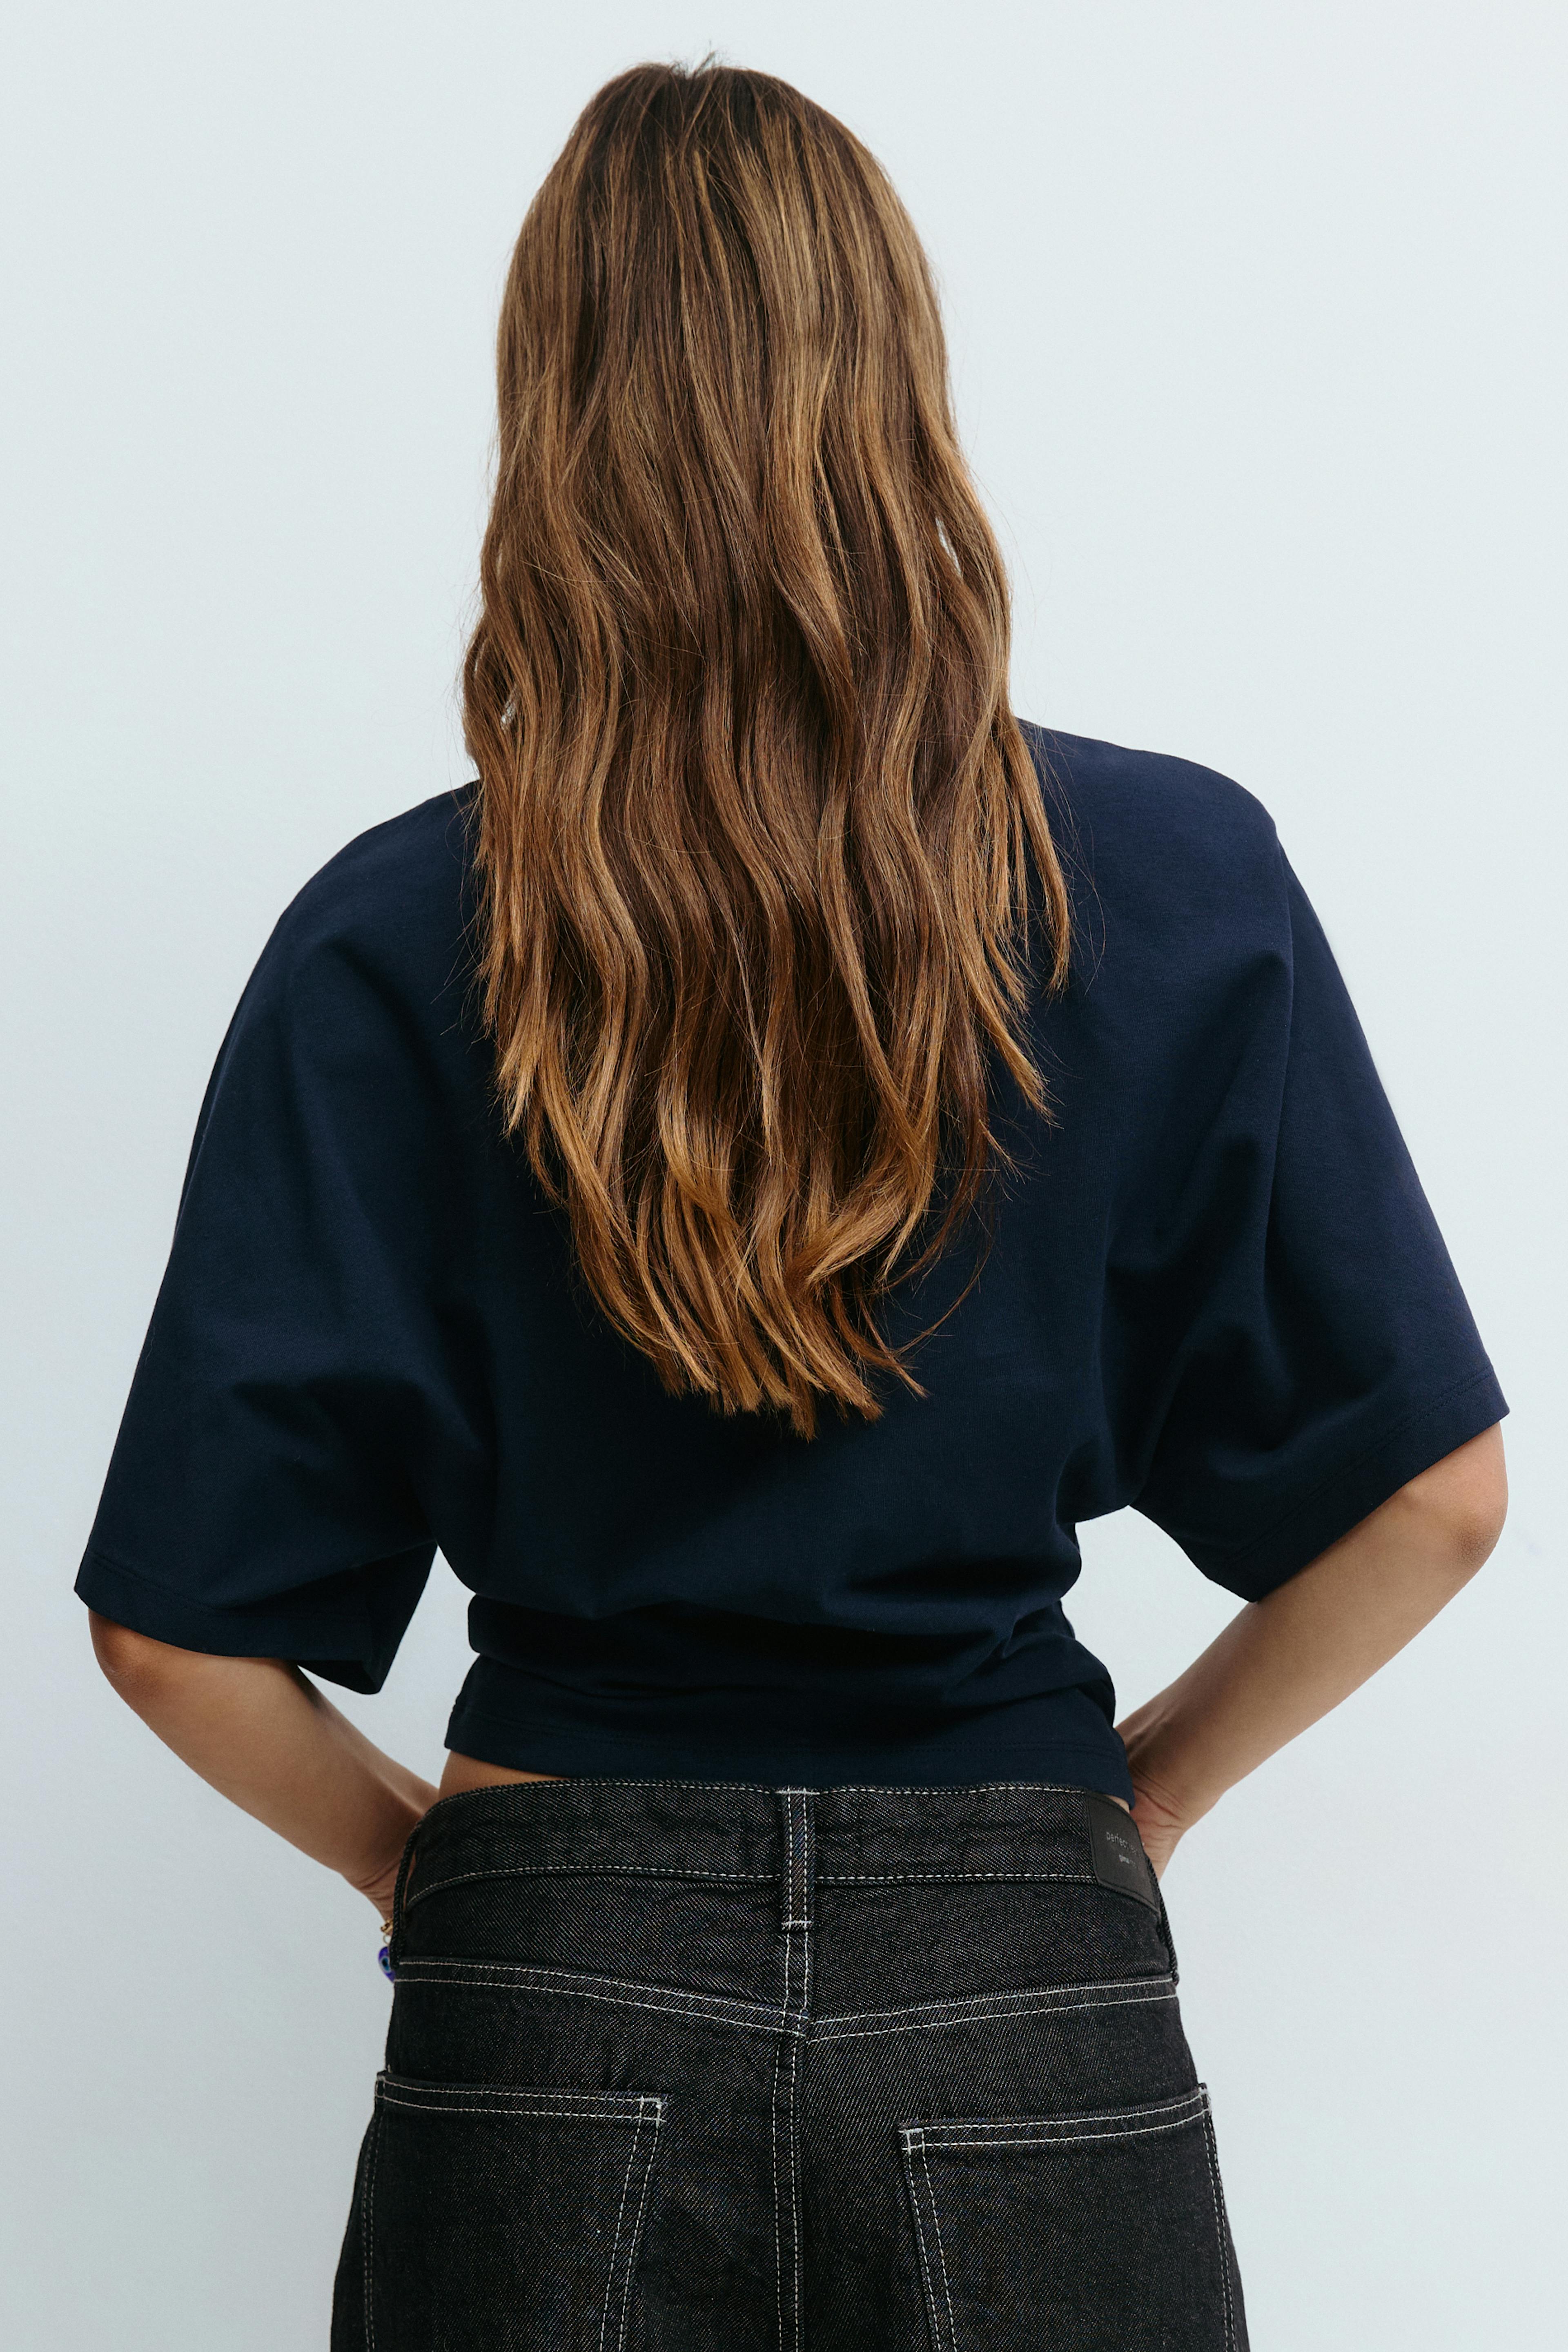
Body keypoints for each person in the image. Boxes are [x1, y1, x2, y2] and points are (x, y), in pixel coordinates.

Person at [79, 60, 1506, 2352]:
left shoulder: (388, 939)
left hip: (548, 1974)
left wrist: (446, 1874)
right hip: (1029, 1960)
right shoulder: (1176, 884)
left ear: (550, 415)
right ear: (901, 388)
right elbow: (1433, 1498)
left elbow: (172, 1637)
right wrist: (1129, 1807)